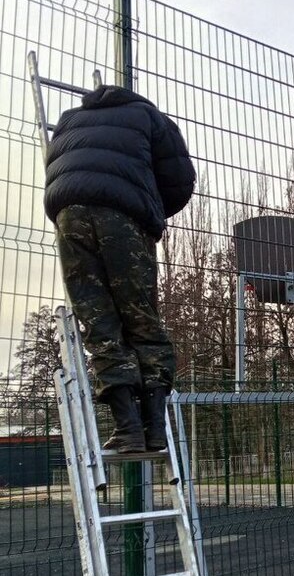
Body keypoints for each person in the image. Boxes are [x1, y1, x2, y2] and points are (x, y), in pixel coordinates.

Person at [44, 84, 196, 453]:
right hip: (123, 217)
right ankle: (155, 428)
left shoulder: (67, 120)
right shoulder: (150, 117)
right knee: (141, 317)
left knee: (99, 320)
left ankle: (127, 426)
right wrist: (151, 211)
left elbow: (55, 168)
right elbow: (180, 180)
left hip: (69, 213)